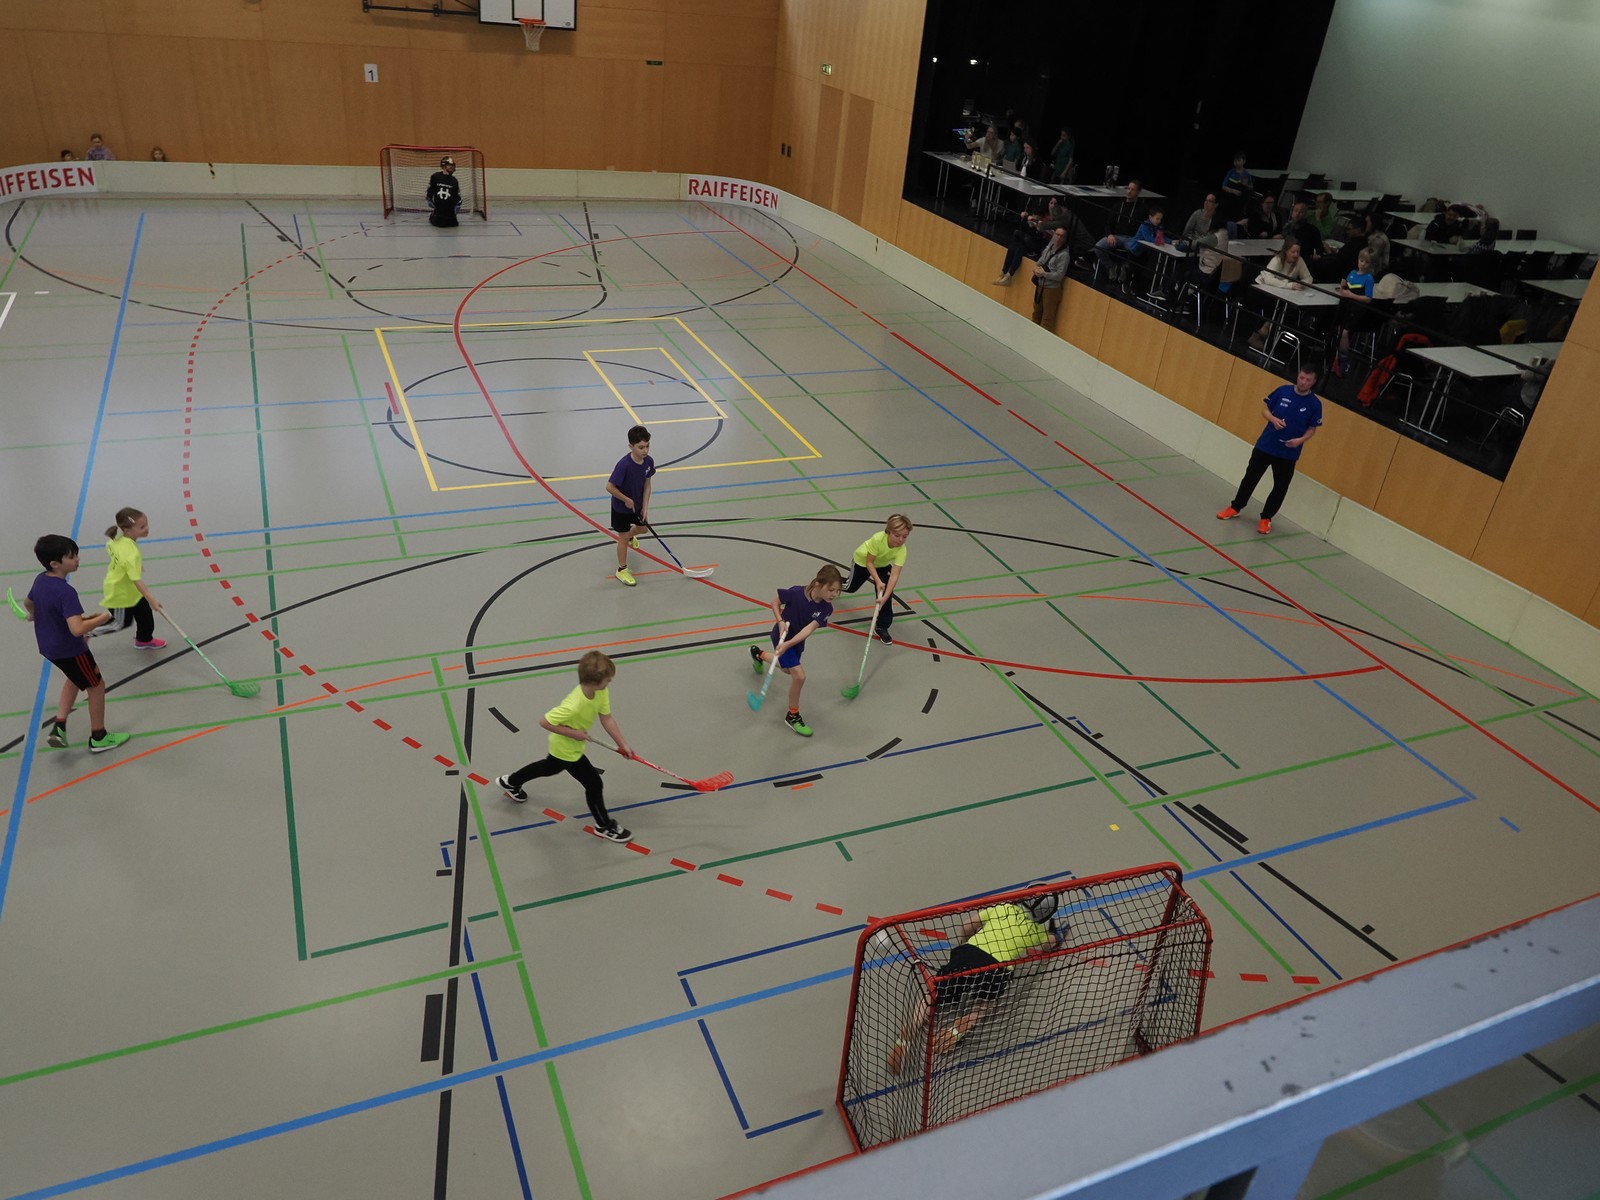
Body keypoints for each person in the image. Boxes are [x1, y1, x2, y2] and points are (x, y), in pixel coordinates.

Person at [885, 889, 1063, 1075]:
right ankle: (958, 1030)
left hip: (969, 953)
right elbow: (1048, 945)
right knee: (985, 1005)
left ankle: (908, 1034)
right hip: (996, 969)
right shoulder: (1036, 931)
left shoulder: (1003, 908)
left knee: (934, 994)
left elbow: (967, 925)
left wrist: (964, 944)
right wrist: (1056, 936)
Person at [496, 651, 634, 843]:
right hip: (566, 749)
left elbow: (607, 718)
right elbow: (545, 722)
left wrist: (623, 745)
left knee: (549, 768)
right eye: (608, 680)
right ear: (595, 682)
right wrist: (574, 734)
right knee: (594, 784)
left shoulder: (601, 692)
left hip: (569, 747)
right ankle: (604, 826)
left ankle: (510, 782)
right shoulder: (573, 704)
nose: (610, 681)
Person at [23, 535, 130, 755]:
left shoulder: (41, 580)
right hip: (71, 650)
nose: (77, 559)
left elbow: (28, 602)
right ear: (55, 563)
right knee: (96, 686)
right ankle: (99, 737)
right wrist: (103, 617)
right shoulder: (66, 592)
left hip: (49, 647)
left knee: (74, 677)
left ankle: (59, 726)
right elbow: (77, 629)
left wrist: (33, 615)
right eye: (71, 557)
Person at [1216, 366, 1323, 535]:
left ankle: (1266, 518)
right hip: (1265, 446)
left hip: (1288, 453)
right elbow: (1265, 410)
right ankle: (1235, 507)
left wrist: (1300, 441)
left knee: (1280, 487)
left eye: (1308, 380)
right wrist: (1273, 419)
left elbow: (1312, 429)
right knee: (1250, 478)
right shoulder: (1283, 391)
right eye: (1301, 377)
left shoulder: (1315, 404)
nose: (1303, 382)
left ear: (1314, 382)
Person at [748, 564, 844, 738]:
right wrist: (780, 621)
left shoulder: (826, 609)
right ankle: (793, 715)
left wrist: (789, 644)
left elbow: (808, 630)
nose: (834, 594)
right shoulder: (796, 593)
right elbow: (775, 602)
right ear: (818, 584)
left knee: (787, 670)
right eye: (831, 590)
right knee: (799, 676)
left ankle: (759, 654)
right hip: (781, 635)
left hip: (795, 642)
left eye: (837, 591)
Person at [93, 507, 165, 648]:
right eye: (142, 527)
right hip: (119, 592)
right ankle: (88, 632)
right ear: (127, 530)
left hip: (130, 589)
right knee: (121, 623)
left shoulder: (117, 539)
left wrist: (133, 566)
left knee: (144, 614)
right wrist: (153, 601)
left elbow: (110, 547)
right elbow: (136, 580)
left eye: (146, 525)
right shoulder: (131, 553)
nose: (147, 529)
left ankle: (144, 640)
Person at [841, 514, 913, 644]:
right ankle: (831, 582)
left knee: (886, 596)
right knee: (850, 588)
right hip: (862, 562)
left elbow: (895, 575)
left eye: (904, 537)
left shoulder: (902, 550)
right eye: (897, 535)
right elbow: (869, 562)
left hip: (882, 565)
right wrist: (878, 581)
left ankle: (881, 627)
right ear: (889, 531)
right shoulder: (878, 539)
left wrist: (885, 596)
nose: (900, 540)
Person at [993, 198, 1091, 285]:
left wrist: (1035, 222)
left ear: (1062, 207)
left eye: (1055, 204)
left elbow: (1048, 232)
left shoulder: (1062, 219)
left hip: (1046, 244)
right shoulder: (1051, 217)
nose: (1052, 206)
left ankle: (1007, 274)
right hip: (1041, 243)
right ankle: (1006, 274)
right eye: (1051, 203)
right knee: (1017, 246)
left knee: (1019, 236)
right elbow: (1034, 229)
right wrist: (1027, 219)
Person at [605, 424, 654, 587]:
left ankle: (631, 536)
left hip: (638, 505)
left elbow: (647, 485)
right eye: (641, 447)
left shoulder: (648, 461)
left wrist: (645, 507)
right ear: (631, 446)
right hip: (621, 508)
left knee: (643, 529)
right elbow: (610, 487)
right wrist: (626, 499)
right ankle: (622, 569)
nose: (645, 450)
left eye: (647, 446)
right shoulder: (624, 465)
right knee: (623, 537)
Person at [1246, 240, 1315, 352]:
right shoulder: (1277, 260)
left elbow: (1308, 278)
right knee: (1274, 308)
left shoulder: (1299, 261)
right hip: (1260, 289)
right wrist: (1289, 285)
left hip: (1280, 292)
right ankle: (1259, 335)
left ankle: (1268, 337)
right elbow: (1268, 279)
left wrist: (1301, 284)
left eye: (1298, 252)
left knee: (1284, 309)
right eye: (1293, 252)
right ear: (1286, 251)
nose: (1296, 255)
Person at [1093, 202, 1165, 287]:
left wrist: (1168, 241)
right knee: (1098, 247)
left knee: (1134, 249)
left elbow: (1150, 231)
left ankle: (1126, 268)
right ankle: (1111, 267)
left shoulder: (1143, 209)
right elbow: (1109, 223)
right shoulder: (1119, 205)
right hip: (1116, 236)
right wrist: (1109, 234)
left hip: (1132, 239)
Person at [1332, 247, 1376, 376]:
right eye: (1361, 261)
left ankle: (1345, 359)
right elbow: (1345, 290)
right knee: (1339, 331)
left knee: (1345, 333)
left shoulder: (1369, 279)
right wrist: (1343, 286)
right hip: (1346, 306)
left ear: (1370, 264)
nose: (1363, 264)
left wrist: (1351, 295)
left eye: (1366, 262)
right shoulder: (1351, 273)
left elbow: (1368, 298)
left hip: (1357, 308)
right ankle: (1337, 359)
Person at [1031, 225, 1072, 325]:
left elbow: (1059, 276)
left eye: (1061, 236)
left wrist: (1044, 274)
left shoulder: (1064, 255)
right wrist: (1036, 269)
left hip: (1052, 289)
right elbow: (1040, 262)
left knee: (1047, 319)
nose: (1058, 238)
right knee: (1036, 314)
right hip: (1040, 285)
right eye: (1057, 234)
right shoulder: (1049, 247)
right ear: (1054, 235)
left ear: (1065, 238)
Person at [426, 156, 462, 228]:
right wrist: (429, 198)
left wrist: (458, 204)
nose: (452, 167)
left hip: (450, 212)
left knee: (453, 224)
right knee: (440, 224)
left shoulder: (454, 180)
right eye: (450, 165)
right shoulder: (435, 176)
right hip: (439, 211)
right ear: (444, 166)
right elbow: (430, 189)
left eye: (453, 165)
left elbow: (457, 195)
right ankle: (434, 215)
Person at [1220, 152, 1253, 218]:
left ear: (1244, 161)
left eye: (1238, 160)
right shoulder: (1230, 172)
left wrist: (1246, 185)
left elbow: (1251, 187)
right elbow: (1223, 186)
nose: (1236, 163)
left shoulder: (1247, 174)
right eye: (1235, 161)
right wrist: (1233, 191)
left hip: (1240, 203)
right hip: (1229, 201)